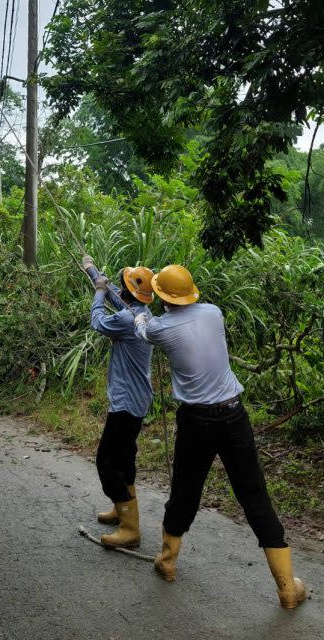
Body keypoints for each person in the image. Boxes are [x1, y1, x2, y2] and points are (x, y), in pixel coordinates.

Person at [133, 264, 306, 610]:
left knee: (185, 489)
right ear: (192, 290)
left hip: (196, 421)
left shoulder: (159, 329)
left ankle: (167, 562)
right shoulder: (214, 312)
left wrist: (140, 306)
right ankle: (287, 587)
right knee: (253, 494)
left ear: (163, 297)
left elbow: (142, 327)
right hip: (232, 416)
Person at [82, 255, 154, 549]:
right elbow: (114, 295)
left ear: (127, 291)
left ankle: (130, 527)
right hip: (136, 400)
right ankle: (122, 508)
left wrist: (99, 292)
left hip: (125, 402)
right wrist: (92, 272)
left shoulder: (126, 320)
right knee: (125, 459)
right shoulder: (140, 314)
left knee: (107, 462)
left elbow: (97, 321)